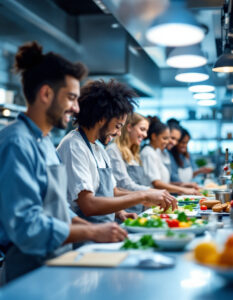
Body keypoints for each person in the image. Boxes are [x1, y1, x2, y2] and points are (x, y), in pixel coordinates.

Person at [0, 42, 127, 283]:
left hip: (57, 264)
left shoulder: (45, 142)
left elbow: (58, 207)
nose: (76, 108)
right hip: (28, 274)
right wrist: (90, 230)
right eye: (71, 98)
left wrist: (97, 230)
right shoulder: (16, 144)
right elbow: (27, 227)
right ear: (46, 94)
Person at [57, 80, 177, 224]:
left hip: (103, 232)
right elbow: (88, 205)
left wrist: (120, 213)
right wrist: (143, 196)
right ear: (102, 119)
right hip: (85, 236)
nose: (119, 133)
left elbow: (113, 192)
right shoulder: (74, 145)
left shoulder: (99, 148)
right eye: (117, 126)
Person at [106, 113, 151, 214]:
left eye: (146, 131)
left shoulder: (134, 153)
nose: (145, 135)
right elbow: (124, 184)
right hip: (125, 212)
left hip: (138, 209)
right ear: (129, 127)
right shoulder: (113, 150)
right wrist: (151, 192)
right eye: (142, 129)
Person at [140, 119, 199, 195]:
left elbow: (165, 182)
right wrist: (183, 189)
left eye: (177, 140)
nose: (173, 142)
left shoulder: (165, 154)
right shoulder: (149, 152)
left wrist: (184, 185)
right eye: (166, 138)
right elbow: (156, 183)